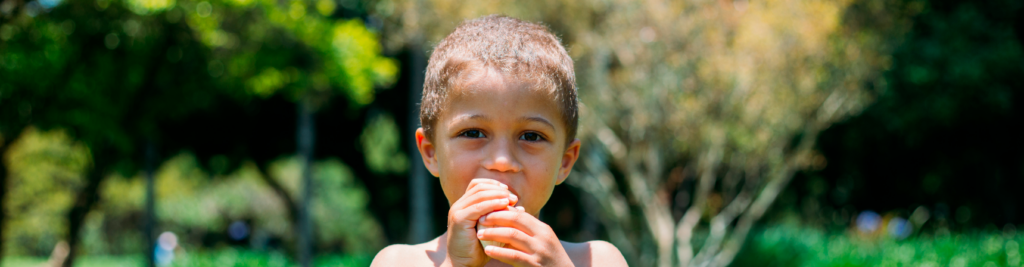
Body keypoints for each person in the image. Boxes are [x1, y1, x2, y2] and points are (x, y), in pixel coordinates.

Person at [371, 15, 628, 267]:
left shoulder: (597, 260)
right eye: (473, 133)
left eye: (531, 136)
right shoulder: (398, 261)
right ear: (431, 153)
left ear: (565, 160)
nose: (502, 162)